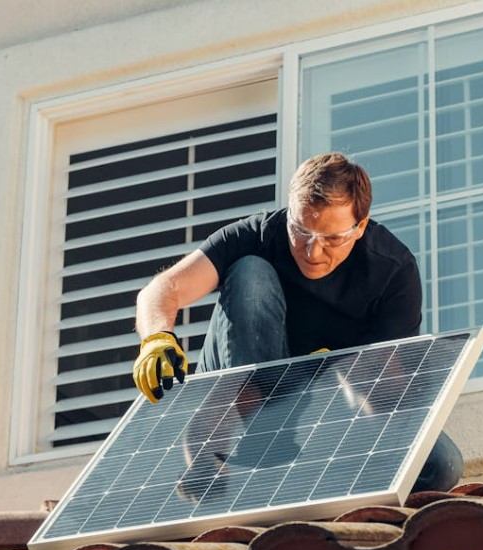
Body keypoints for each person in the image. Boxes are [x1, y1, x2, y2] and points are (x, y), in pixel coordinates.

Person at [132, 152, 462, 492]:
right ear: (289, 212)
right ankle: (253, 431)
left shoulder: (391, 270)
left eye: (332, 239)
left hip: (329, 407)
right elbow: (162, 289)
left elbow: (396, 397)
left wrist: (347, 375)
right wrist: (156, 338)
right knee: (250, 271)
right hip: (247, 393)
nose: (312, 251)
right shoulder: (258, 234)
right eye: (300, 230)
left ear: (360, 227)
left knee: (439, 465)